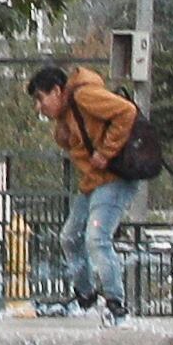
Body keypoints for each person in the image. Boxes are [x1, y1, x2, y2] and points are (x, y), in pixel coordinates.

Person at [32, 61, 145, 322]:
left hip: (115, 178)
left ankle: (117, 304)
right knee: (70, 237)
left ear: (58, 91)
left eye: (41, 98)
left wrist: (106, 152)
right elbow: (72, 142)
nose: (39, 107)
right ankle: (86, 297)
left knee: (96, 238)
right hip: (94, 182)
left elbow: (126, 112)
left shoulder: (85, 95)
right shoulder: (67, 113)